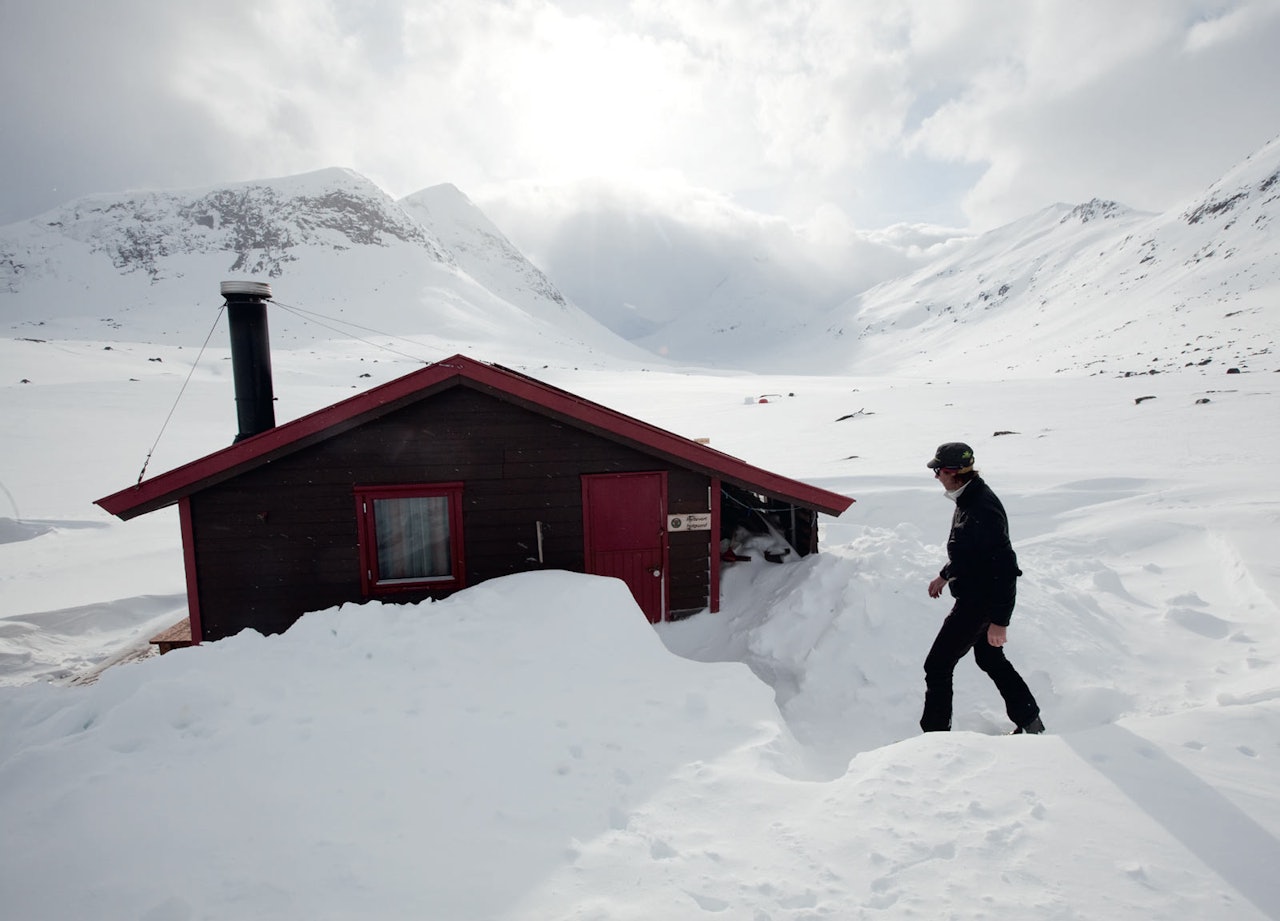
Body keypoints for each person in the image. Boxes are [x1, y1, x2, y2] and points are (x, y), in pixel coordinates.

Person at [921, 442, 1044, 734]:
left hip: (979, 603)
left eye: (938, 470)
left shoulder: (980, 508)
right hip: (978, 597)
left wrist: (1000, 621)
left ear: (953, 472)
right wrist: (946, 574)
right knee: (989, 658)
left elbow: (1005, 569)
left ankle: (935, 738)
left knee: (937, 666)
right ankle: (1030, 722)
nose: (936, 476)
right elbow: (972, 554)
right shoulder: (969, 498)